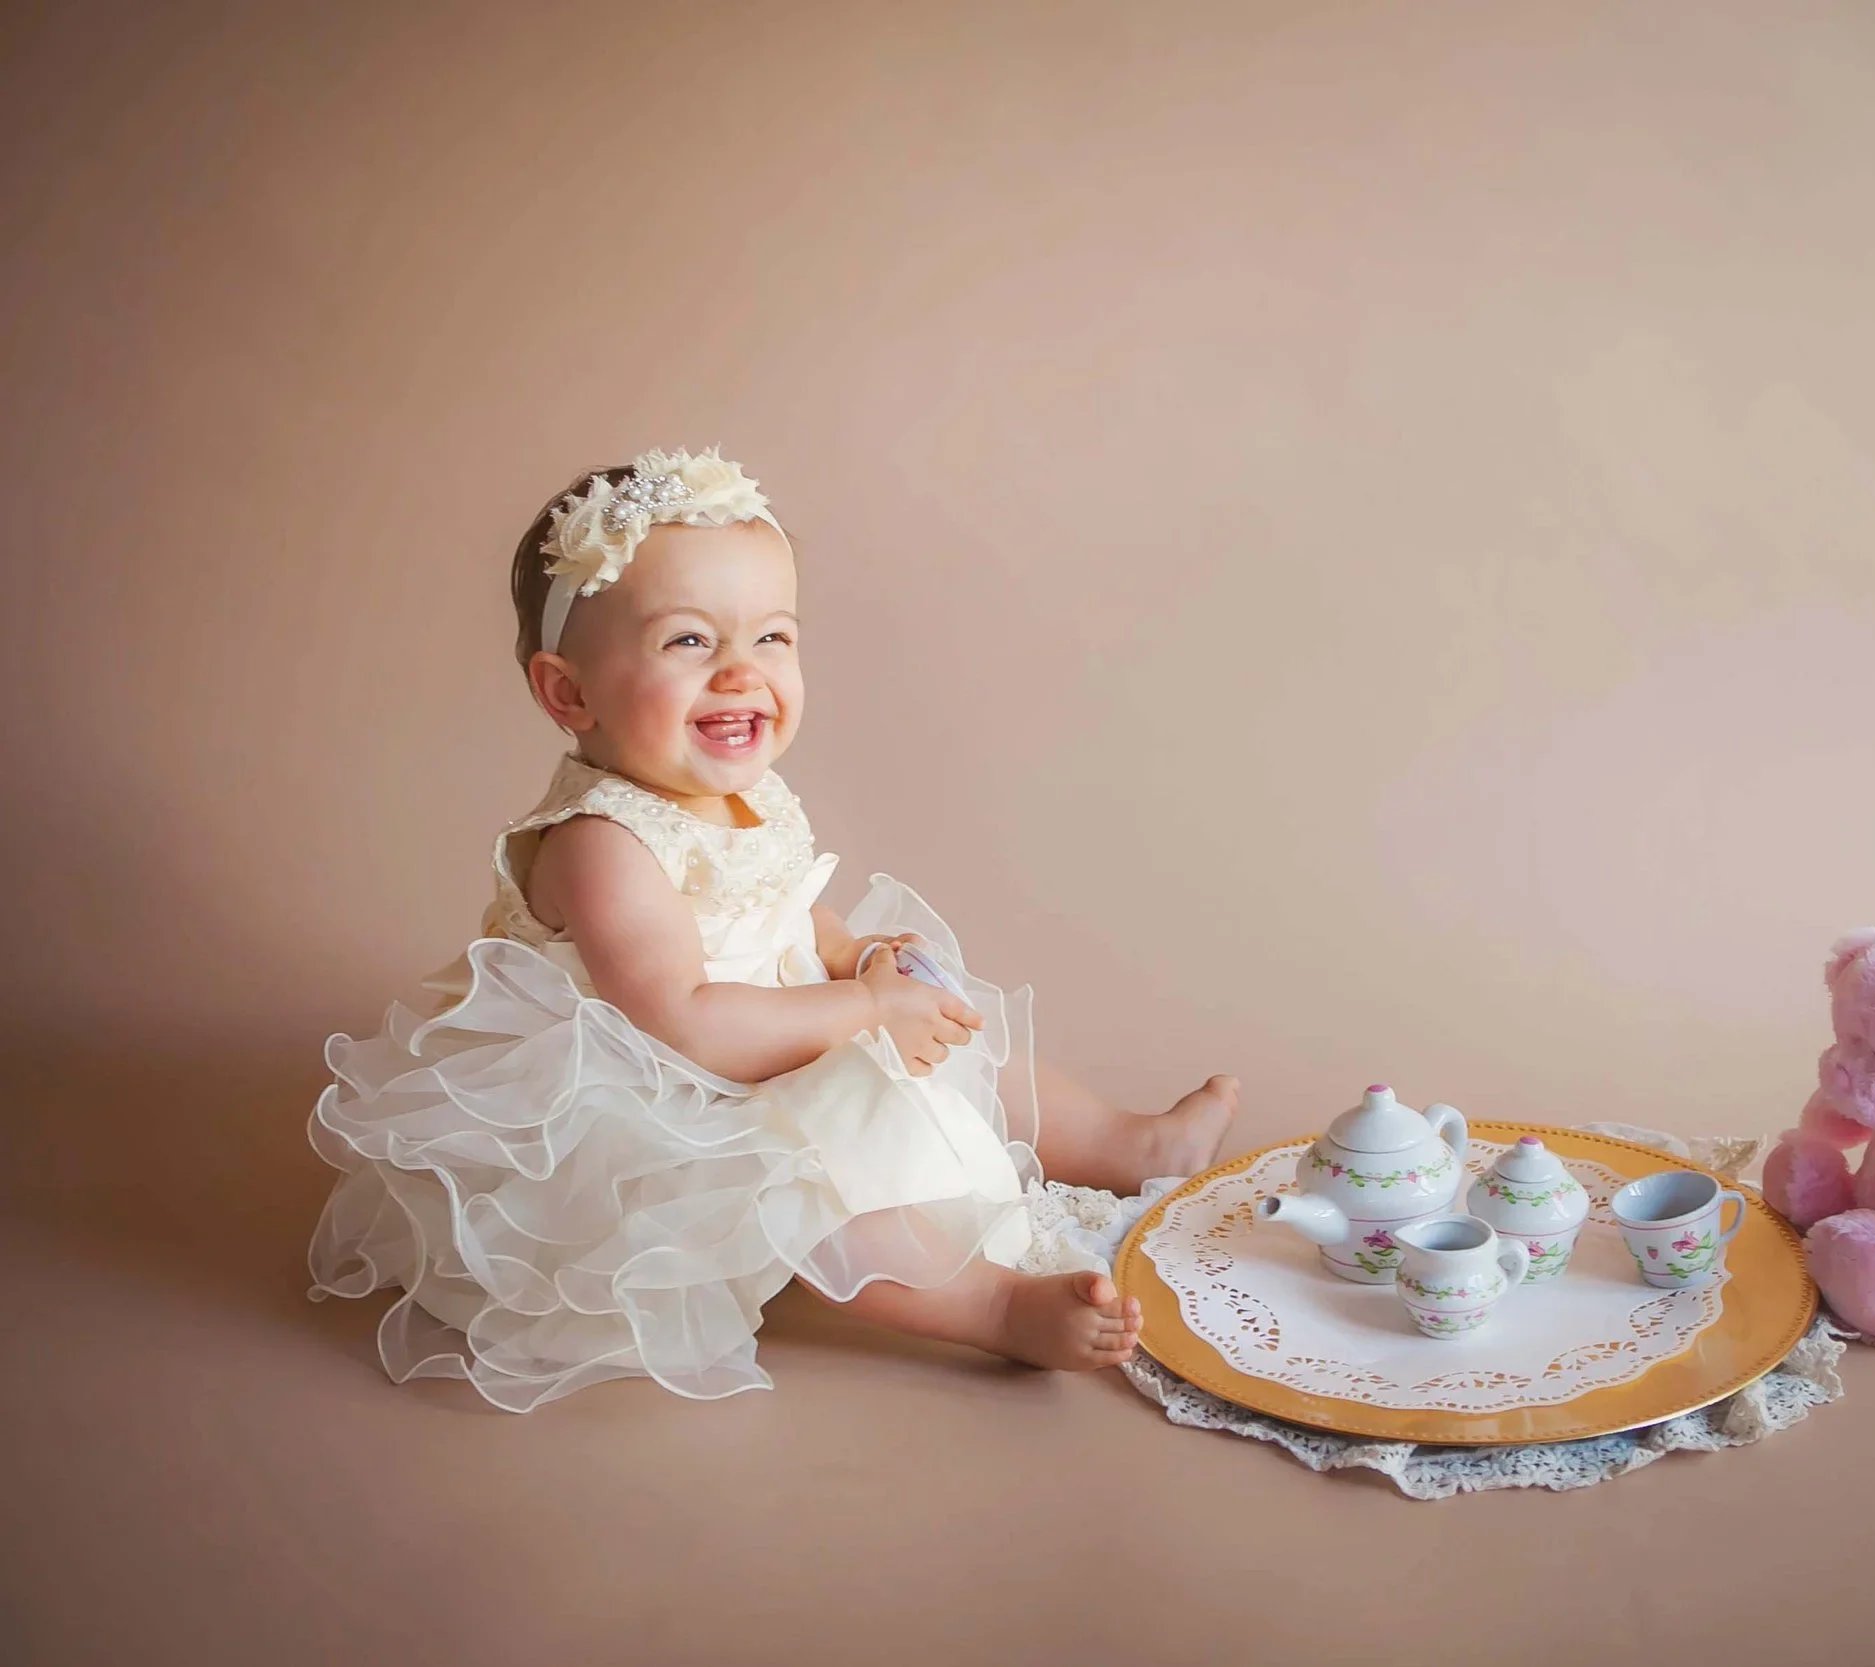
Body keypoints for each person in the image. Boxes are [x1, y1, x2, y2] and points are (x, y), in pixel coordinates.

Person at [305, 446, 1237, 1410]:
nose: (742, 675)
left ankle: (1130, 1146)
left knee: (956, 1015)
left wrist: (856, 956)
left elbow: (787, 901)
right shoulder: (600, 843)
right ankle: (993, 1309)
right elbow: (686, 1022)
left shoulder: (747, 794)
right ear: (568, 692)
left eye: (773, 639)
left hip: (774, 1028)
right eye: (689, 644)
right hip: (664, 1101)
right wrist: (863, 1005)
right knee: (802, 1168)